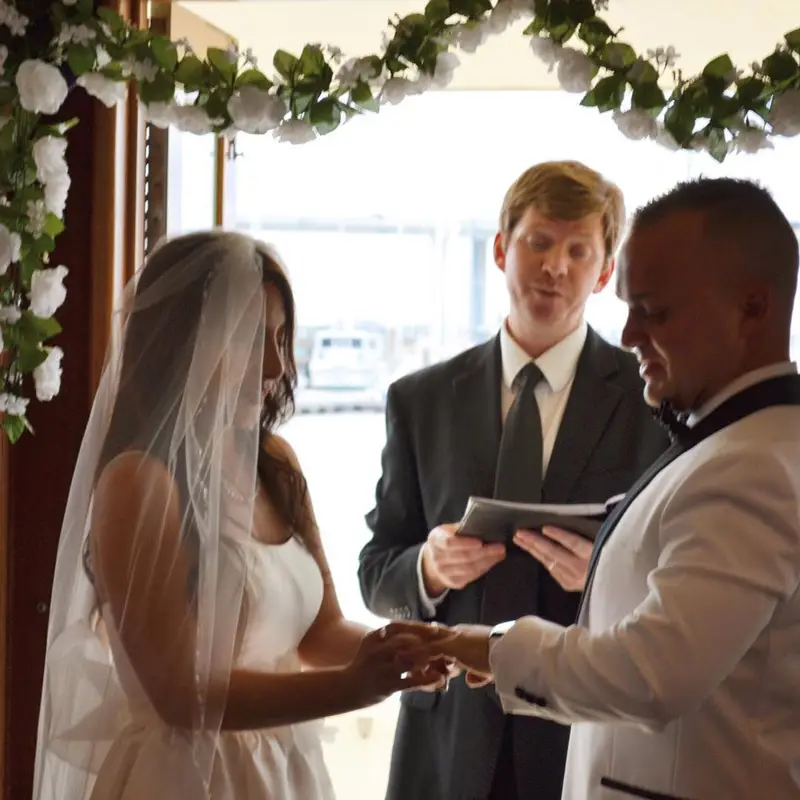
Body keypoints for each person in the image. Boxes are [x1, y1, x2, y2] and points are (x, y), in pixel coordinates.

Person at [32, 231, 449, 800]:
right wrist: (350, 689)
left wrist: (421, 646)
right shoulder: (137, 482)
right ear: (185, 342)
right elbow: (178, 694)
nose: (278, 364)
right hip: (186, 777)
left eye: (281, 337)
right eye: (253, 339)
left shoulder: (274, 463)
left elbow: (321, 631)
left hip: (283, 768)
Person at [425, 178, 800, 799]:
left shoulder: (754, 468)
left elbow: (651, 675)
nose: (627, 335)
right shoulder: (732, 444)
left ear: (753, 308)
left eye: (654, 311)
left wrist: (487, 646)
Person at [357, 161, 669, 800]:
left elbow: (675, 579)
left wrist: (605, 578)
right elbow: (375, 571)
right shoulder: (420, 401)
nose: (556, 266)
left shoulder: (651, 405)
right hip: (444, 740)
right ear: (501, 249)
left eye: (579, 250)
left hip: (581, 733)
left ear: (604, 271)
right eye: (539, 242)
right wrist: (429, 570)